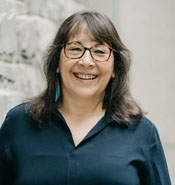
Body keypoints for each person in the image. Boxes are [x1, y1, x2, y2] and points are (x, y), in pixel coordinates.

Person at [0, 10, 171, 185]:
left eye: (99, 51)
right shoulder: (19, 124)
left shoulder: (142, 133)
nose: (86, 61)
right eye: (75, 49)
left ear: (114, 69)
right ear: (57, 63)